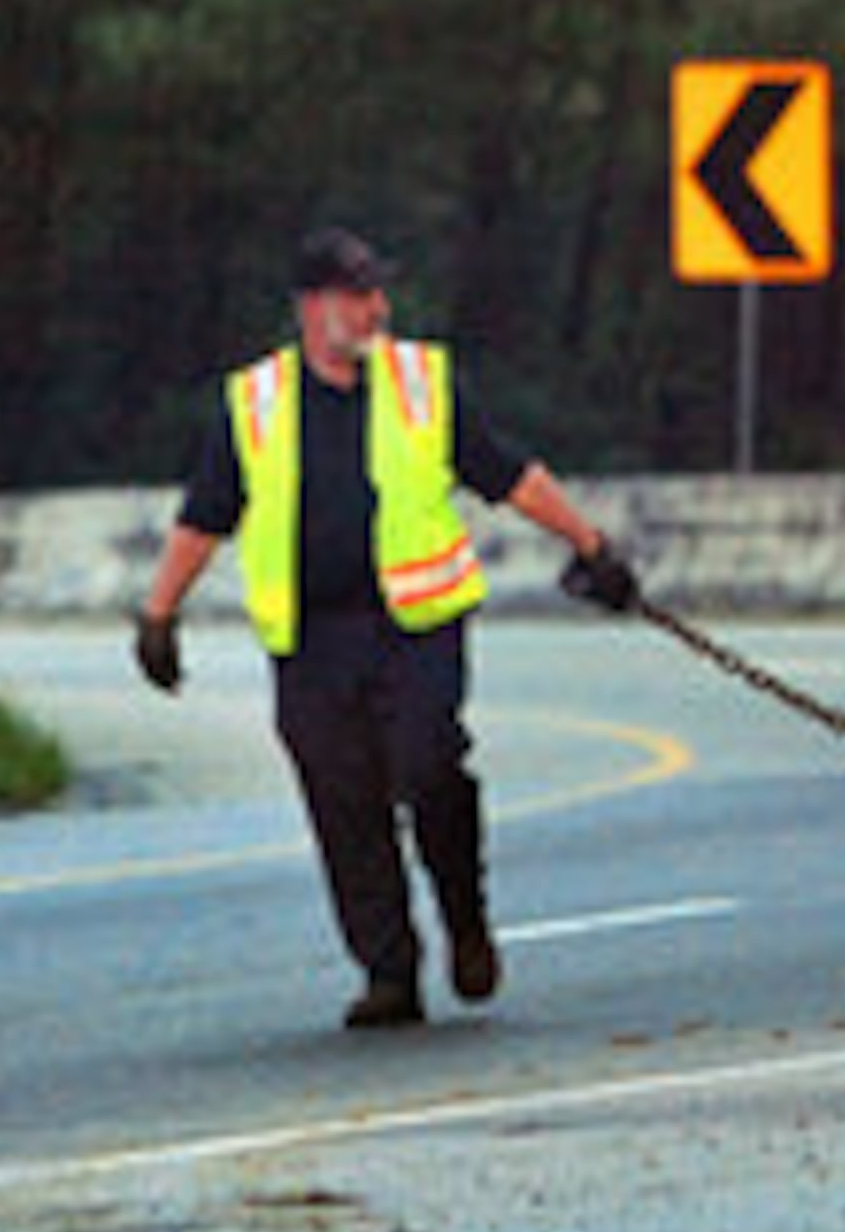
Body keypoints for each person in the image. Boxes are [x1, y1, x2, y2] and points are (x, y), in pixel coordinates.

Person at [131, 227, 643, 1030]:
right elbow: (206, 515)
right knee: (343, 802)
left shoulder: (422, 382)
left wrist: (591, 546)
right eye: (358, 294)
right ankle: (389, 971)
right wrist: (159, 616)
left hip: (416, 626)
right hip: (311, 640)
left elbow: (506, 472)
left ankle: (464, 916)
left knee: (429, 765)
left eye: (378, 293)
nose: (376, 309)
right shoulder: (256, 402)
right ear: (312, 307)